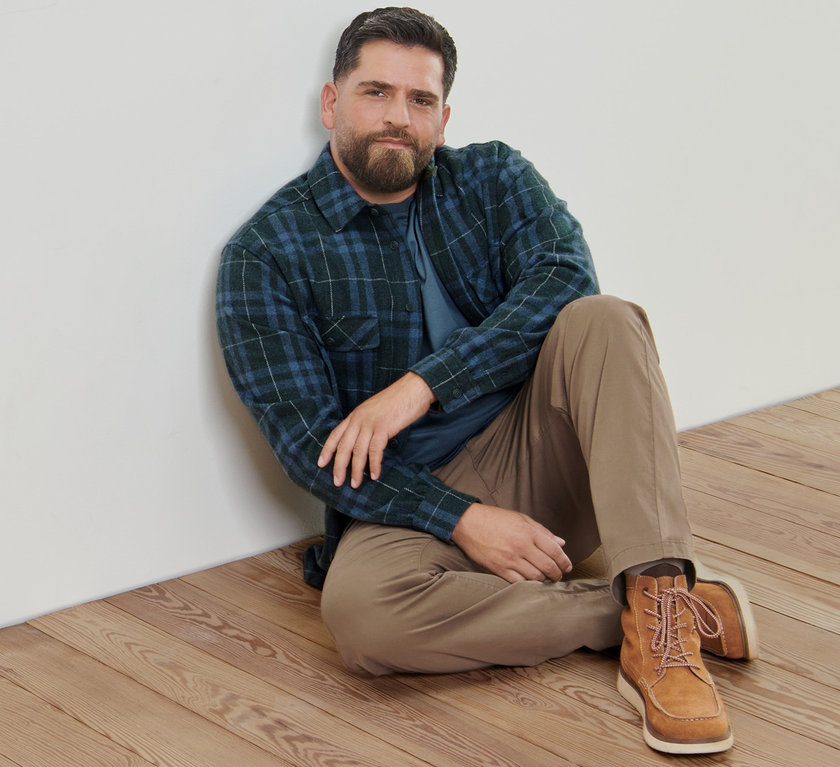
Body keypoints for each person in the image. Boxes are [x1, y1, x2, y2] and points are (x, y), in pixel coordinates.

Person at [216, 6, 758, 756]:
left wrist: (423, 383)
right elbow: (311, 444)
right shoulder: (265, 255)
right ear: (331, 103)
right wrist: (462, 516)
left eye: (420, 100)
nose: (397, 118)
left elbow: (565, 278)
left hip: (547, 453)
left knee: (602, 318)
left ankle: (663, 635)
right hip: (411, 501)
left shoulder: (494, 178)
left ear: (443, 117)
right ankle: (644, 605)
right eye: (375, 93)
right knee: (363, 616)